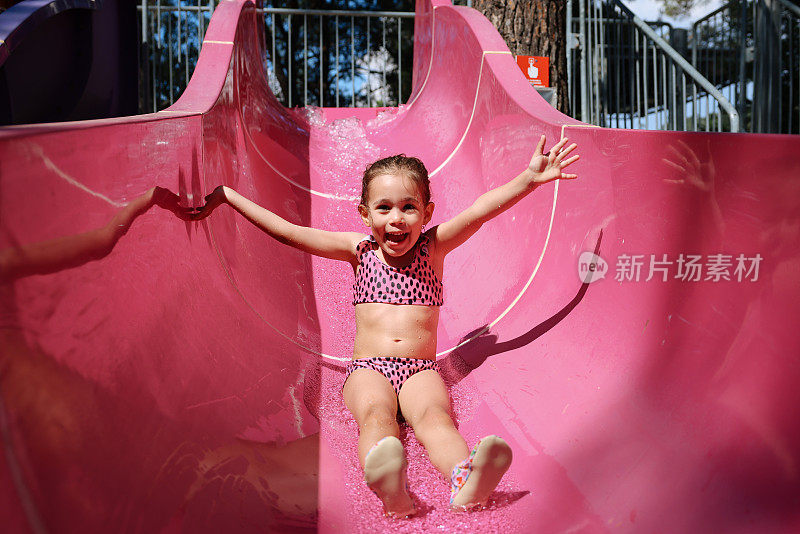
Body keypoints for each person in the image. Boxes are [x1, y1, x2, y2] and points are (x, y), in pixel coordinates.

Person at [190, 134, 580, 517]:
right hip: (368, 370)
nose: (397, 218)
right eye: (384, 207)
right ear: (365, 214)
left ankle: (465, 479)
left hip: (419, 371)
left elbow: (480, 211)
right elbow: (290, 233)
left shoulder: (433, 248)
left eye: (409, 207)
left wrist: (527, 180)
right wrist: (228, 196)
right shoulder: (357, 251)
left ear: (427, 213)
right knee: (376, 415)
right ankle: (389, 485)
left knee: (434, 417)